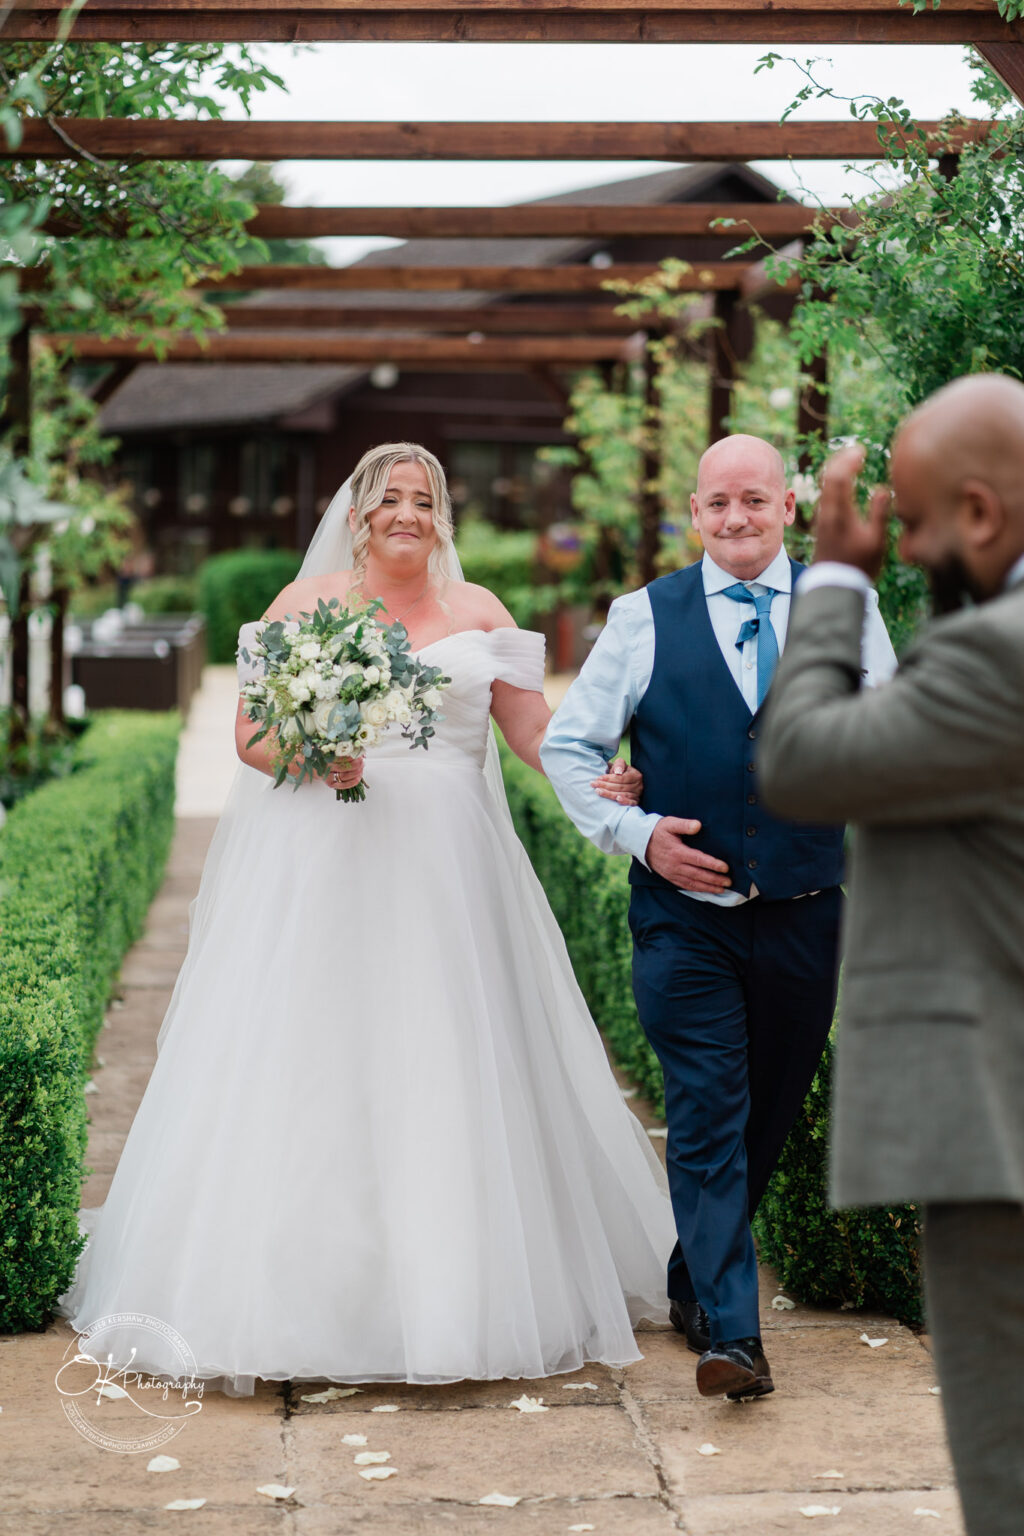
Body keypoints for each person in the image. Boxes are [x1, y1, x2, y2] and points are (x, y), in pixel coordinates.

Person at [56, 441, 677, 1396]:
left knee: (448, 1060)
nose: (406, 514)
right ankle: (313, 1290)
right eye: (389, 498)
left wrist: (602, 776)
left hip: (453, 880)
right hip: (327, 866)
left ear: (442, 519)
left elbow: (531, 732)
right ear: (357, 514)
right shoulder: (305, 610)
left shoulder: (481, 614)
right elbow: (252, 736)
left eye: (423, 500)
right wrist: (317, 757)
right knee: (318, 1059)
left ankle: (458, 1289)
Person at [540, 434, 896, 1401]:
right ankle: (735, 1341)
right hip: (682, 917)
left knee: (766, 1114)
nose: (735, 519)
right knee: (706, 1111)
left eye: (753, 500)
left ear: (787, 507)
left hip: (806, 907)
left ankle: (696, 1283)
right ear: (694, 516)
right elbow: (568, 748)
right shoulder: (641, 617)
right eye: (716, 505)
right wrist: (638, 829)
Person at [758, 375, 1024, 1536]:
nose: (902, 550)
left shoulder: (999, 659)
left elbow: (806, 760)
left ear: (979, 512)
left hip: (1000, 1129)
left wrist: (831, 577)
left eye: (911, 522)